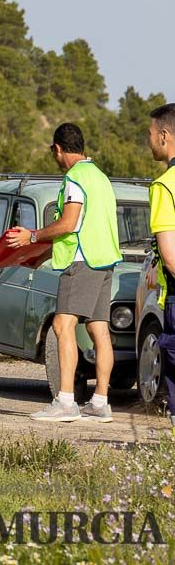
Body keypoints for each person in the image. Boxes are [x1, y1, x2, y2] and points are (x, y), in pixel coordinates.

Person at [6, 123, 122, 423]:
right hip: (104, 261)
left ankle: (66, 402)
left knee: (61, 326)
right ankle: (100, 403)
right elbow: (82, 227)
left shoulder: (74, 179)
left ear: (57, 149)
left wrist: (31, 237)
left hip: (82, 263)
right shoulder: (100, 177)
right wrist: (43, 254)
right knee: (99, 330)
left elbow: (68, 224)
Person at [145, 103, 175, 431]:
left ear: (164, 136)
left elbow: (170, 256)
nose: (149, 140)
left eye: (151, 134)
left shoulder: (165, 186)